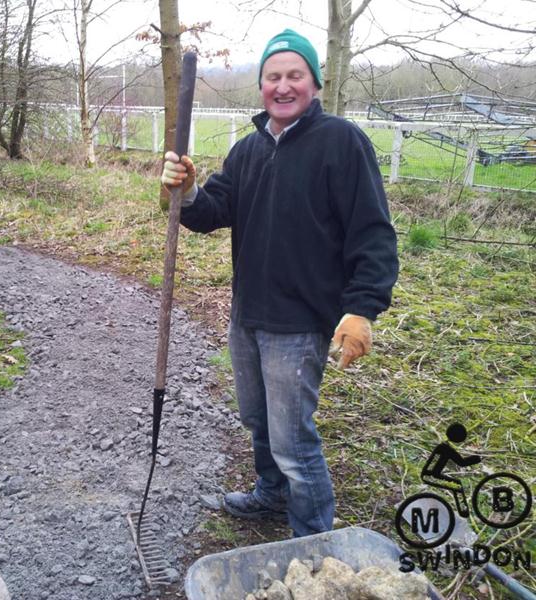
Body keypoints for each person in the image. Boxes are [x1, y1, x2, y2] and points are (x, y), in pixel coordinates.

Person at [160, 29, 399, 537]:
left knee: (293, 439)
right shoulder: (248, 150)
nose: (283, 86)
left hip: (301, 320)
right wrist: (189, 190)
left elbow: (372, 232)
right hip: (248, 313)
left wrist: (362, 307)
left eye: (295, 75)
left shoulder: (341, 143)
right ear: (262, 86)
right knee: (258, 420)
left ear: (314, 83)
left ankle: (311, 539)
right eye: (273, 77)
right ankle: (272, 493)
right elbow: (212, 212)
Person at [420, 423, 481, 518]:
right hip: (431, 476)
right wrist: (477, 458)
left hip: (431, 473)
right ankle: (463, 511)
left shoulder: (443, 446)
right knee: (457, 485)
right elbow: (462, 462)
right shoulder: (446, 448)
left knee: (456, 484)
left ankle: (463, 510)